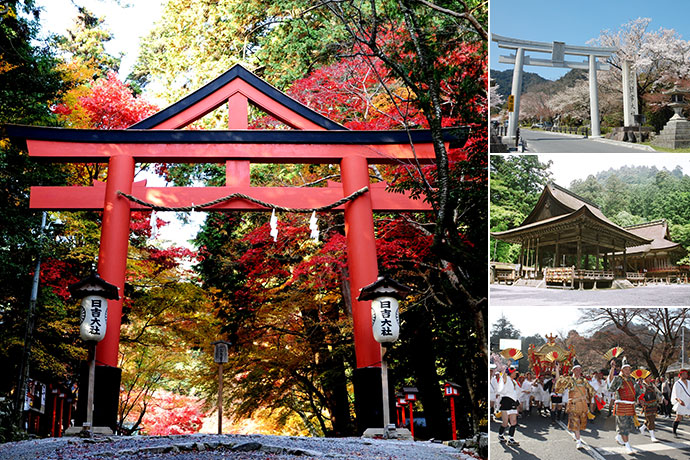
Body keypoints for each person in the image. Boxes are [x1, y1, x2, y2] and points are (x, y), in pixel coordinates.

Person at [555, 361, 594, 449]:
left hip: (583, 405)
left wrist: (596, 397)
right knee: (575, 422)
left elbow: (591, 390)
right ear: (572, 370)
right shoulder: (570, 380)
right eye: (576, 369)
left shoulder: (584, 381)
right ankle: (578, 440)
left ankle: (576, 434)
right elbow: (559, 383)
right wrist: (557, 370)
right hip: (573, 404)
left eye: (579, 369)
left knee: (581, 423)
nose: (578, 371)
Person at [608, 359, 636, 454]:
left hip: (631, 407)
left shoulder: (632, 380)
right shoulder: (618, 379)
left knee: (628, 426)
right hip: (621, 406)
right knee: (624, 427)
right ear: (622, 370)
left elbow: (637, 393)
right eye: (626, 369)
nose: (628, 371)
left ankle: (619, 436)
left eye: (629, 369)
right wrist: (612, 369)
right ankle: (627, 445)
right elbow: (611, 388)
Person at [497, 367, 521, 446]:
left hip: (513, 402)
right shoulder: (506, 379)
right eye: (514, 372)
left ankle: (511, 439)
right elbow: (503, 378)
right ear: (510, 373)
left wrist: (517, 402)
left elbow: (516, 392)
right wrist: (506, 368)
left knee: (513, 421)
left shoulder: (513, 381)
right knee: (505, 423)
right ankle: (500, 435)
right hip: (506, 402)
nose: (515, 373)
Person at [637, 372, 661, 442]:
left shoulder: (652, 384)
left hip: (654, 403)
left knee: (651, 418)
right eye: (649, 377)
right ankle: (652, 436)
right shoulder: (642, 385)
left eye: (651, 376)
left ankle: (642, 428)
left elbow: (657, 392)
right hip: (647, 404)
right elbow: (640, 394)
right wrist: (641, 400)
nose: (650, 378)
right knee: (651, 419)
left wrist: (662, 398)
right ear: (645, 377)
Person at [671, 368, 690, 437]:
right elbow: (675, 394)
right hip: (681, 402)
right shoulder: (677, 384)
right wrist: (679, 401)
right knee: (679, 417)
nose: (685, 375)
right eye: (684, 374)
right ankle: (674, 431)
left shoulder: (689, 382)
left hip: (689, 402)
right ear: (680, 375)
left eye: (686, 374)